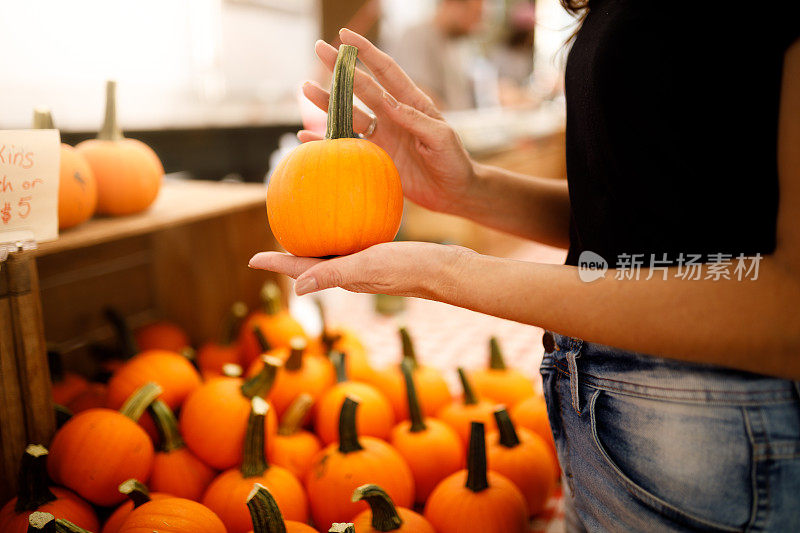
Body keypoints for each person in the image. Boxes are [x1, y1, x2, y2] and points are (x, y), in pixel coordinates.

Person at [250, 1, 800, 529]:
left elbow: (788, 309)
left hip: (711, 437)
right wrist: (471, 190)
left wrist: (449, 273)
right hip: (611, 427)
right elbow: (657, 219)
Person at [386, 0, 484, 109]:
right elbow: (416, 94)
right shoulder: (417, 37)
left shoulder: (455, 45)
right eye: (475, 14)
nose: (477, 24)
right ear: (451, 4)